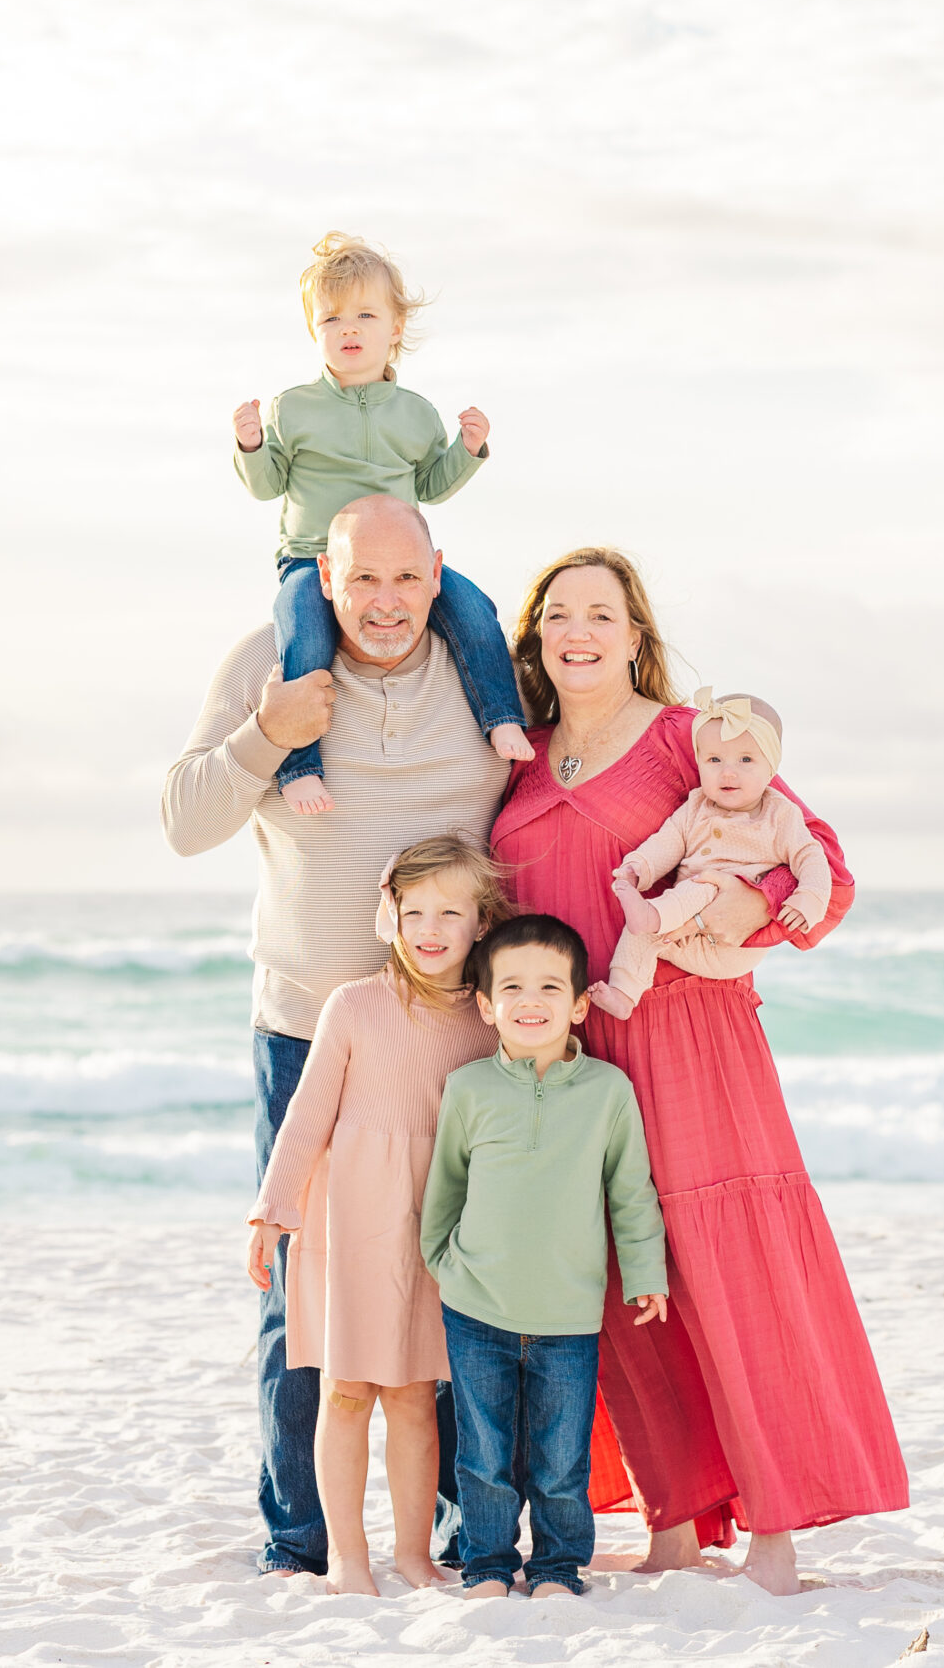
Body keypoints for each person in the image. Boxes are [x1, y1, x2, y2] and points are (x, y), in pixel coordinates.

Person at [486, 547, 910, 1596]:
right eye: (558, 616)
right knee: (624, 1282)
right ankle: (676, 1519)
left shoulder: (690, 739)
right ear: (535, 639)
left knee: (729, 1269)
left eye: (603, 613)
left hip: (688, 1030)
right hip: (570, 1046)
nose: (578, 631)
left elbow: (818, 858)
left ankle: (775, 1523)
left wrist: (743, 907)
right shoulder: (516, 756)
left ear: (636, 634)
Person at [162, 494, 513, 1578]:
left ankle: (459, 1531)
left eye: (409, 579)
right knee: (299, 1297)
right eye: (364, 578)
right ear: (325, 576)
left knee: (461, 1288)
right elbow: (184, 820)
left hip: (457, 1038)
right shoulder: (270, 659)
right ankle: (299, 1538)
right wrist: (270, 732)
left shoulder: (478, 663)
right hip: (307, 1032)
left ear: (439, 575)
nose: (386, 603)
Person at [242, 834, 509, 1595]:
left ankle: (414, 1555)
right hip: (352, 1219)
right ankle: (349, 1559)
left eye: (450, 912)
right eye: (414, 908)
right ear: (386, 915)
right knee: (347, 1389)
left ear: (481, 922)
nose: (430, 927)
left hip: (436, 1225)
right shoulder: (353, 1004)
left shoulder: (487, 1019)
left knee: (417, 1396)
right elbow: (306, 1113)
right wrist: (272, 1209)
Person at [232, 232, 533, 816]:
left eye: (366, 315)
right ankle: (300, 765)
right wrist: (250, 444)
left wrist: (468, 450)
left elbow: (430, 487)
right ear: (314, 331)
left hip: (401, 565)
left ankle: (500, 718)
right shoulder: (292, 408)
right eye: (331, 318)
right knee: (303, 632)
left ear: (395, 329)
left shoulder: (416, 413)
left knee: (475, 610)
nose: (349, 329)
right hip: (312, 557)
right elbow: (267, 484)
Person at [419, 913, 671, 1600]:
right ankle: (489, 1564)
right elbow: (444, 1188)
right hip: (475, 1309)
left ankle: (558, 1566)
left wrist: (646, 1273)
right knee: (483, 1456)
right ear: (486, 1003)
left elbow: (631, 1192)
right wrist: (444, 1264)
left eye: (550, 987)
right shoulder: (469, 1088)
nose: (532, 1001)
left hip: (568, 1313)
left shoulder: (607, 1092)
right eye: (514, 987)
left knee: (561, 1458)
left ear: (580, 1002)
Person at [586, 688, 832, 1021]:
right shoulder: (696, 806)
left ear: (770, 768)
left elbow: (811, 857)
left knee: (703, 886)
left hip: (732, 945)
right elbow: (667, 841)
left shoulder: (779, 814)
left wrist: (810, 899)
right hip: (684, 936)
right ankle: (624, 994)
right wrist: (636, 868)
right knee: (640, 933)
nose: (728, 772)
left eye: (745, 760)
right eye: (714, 760)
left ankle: (653, 916)